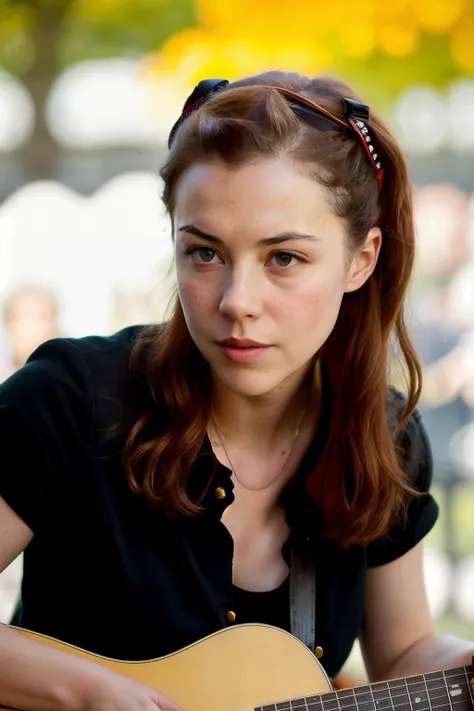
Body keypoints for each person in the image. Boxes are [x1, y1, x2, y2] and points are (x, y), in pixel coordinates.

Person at [0, 72, 472, 711]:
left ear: (361, 259)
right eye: (205, 254)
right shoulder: (70, 402)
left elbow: (404, 655)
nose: (236, 303)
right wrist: (90, 692)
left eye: (283, 258)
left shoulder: (382, 439)